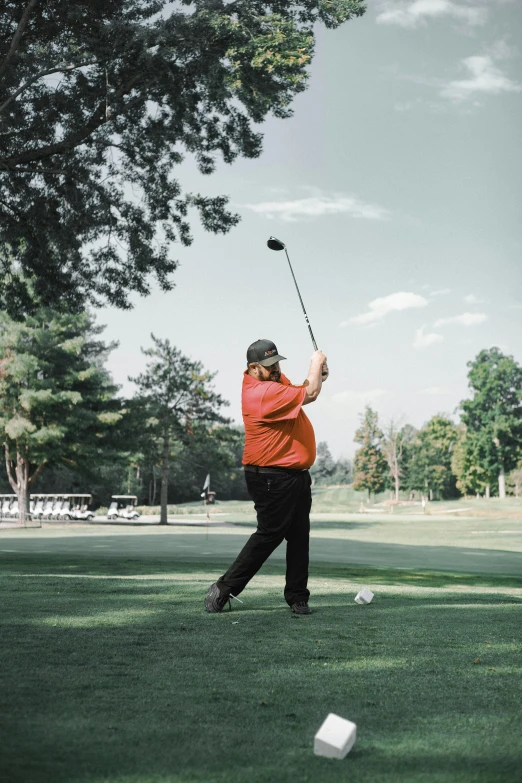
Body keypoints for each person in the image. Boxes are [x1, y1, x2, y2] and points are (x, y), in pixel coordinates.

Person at [205, 338, 328, 615]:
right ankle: (223, 589)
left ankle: (297, 597)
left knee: (299, 536)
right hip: (271, 476)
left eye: (277, 363)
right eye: (269, 366)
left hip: (294, 475)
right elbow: (308, 394)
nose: (275, 370)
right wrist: (315, 365)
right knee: (269, 534)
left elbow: (301, 390)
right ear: (253, 367)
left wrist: (318, 375)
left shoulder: (272, 380)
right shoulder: (259, 393)